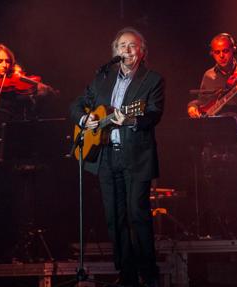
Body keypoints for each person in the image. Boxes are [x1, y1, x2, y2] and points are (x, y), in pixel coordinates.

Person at [69, 27, 164, 287]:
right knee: (115, 218)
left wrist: (130, 118)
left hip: (136, 157)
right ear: (115, 52)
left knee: (138, 215)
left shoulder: (152, 79)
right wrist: (84, 118)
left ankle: (149, 273)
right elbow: (76, 104)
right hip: (106, 158)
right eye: (122, 46)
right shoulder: (103, 78)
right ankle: (127, 273)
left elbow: (154, 114)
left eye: (132, 46)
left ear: (142, 51)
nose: (127, 50)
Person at [0, 43, 56, 263]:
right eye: (0, 61)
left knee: (9, 201)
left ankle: (9, 253)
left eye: (7, 61)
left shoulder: (16, 90)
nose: (4, 65)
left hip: (10, 150)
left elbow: (48, 94)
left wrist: (35, 85)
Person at [187, 33, 237, 144]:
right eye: (217, 52)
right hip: (215, 138)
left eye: (225, 51)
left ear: (234, 50)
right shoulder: (208, 75)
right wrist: (192, 107)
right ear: (212, 53)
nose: (221, 56)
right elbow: (203, 103)